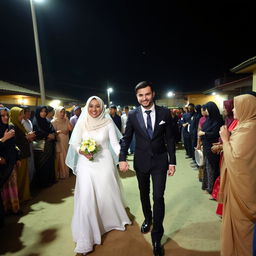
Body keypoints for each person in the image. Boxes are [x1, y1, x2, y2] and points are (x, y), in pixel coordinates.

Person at [66, 96, 131, 255]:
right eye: (91, 106)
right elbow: (74, 143)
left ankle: (107, 221)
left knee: (105, 194)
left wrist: (122, 159)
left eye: (97, 106)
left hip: (104, 162)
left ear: (102, 108)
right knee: (87, 197)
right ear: (87, 107)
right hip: (86, 164)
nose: (94, 110)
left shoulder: (108, 123)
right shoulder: (82, 122)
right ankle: (86, 237)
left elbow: (115, 144)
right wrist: (82, 151)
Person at [119, 81, 176, 256]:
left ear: (153, 94)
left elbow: (171, 139)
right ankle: (148, 218)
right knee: (144, 193)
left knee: (158, 197)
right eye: (140, 95)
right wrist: (122, 158)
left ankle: (157, 237)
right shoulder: (133, 115)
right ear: (137, 97)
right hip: (141, 161)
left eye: (147, 94)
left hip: (160, 162)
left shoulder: (165, 113)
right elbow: (126, 138)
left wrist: (172, 161)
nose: (144, 98)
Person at [219, 94, 256, 256]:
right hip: (236, 185)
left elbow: (237, 160)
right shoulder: (245, 126)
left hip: (243, 190)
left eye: (236, 106)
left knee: (242, 228)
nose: (233, 109)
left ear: (247, 107)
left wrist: (225, 140)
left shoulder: (250, 129)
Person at [198, 102, 223, 194]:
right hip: (206, 146)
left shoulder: (218, 120)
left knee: (211, 168)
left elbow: (216, 133)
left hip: (213, 146)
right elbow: (203, 129)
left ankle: (211, 188)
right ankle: (206, 185)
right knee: (206, 167)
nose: (206, 111)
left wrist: (204, 133)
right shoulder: (209, 119)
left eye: (207, 109)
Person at [0, 107, 20, 224]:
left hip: (10, 161)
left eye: (7, 115)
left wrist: (17, 158)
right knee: (3, 188)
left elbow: (13, 145)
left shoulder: (10, 127)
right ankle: (5, 209)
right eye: (2, 116)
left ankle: (14, 208)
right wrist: (3, 138)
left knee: (12, 186)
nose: (6, 118)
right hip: (2, 163)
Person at [10, 107, 32, 203]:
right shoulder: (12, 126)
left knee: (24, 177)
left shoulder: (19, 124)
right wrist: (26, 137)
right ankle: (18, 197)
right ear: (15, 115)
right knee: (20, 178)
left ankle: (24, 196)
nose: (22, 116)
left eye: (22, 113)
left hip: (24, 153)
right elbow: (14, 142)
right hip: (20, 155)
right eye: (20, 114)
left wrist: (28, 137)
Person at [32, 106, 56, 187]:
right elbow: (37, 132)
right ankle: (42, 183)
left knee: (49, 163)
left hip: (49, 145)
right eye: (41, 111)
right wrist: (48, 135)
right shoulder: (35, 121)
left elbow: (52, 129)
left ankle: (49, 181)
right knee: (42, 164)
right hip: (41, 147)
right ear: (38, 112)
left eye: (45, 111)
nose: (43, 113)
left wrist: (53, 134)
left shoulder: (46, 120)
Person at [51, 106, 72, 179]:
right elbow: (53, 133)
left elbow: (70, 128)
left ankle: (66, 173)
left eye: (64, 112)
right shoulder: (54, 121)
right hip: (59, 141)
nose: (62, 114)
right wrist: (61, 131)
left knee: (66, 155)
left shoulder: (65, 120)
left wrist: (67, 119)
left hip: (66, 140)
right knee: (60, 156)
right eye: (61, 112)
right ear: (57, 112)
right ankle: (61, 174)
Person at [22, 106, 36, 182]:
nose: (29, 113)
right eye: (27, 111)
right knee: (27, 163)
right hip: (25, 144)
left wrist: (32, 136)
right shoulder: (21, 122)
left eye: (30, 111)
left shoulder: (29, 121)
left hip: (30, 143)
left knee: (31, 163)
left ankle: (30, 181)